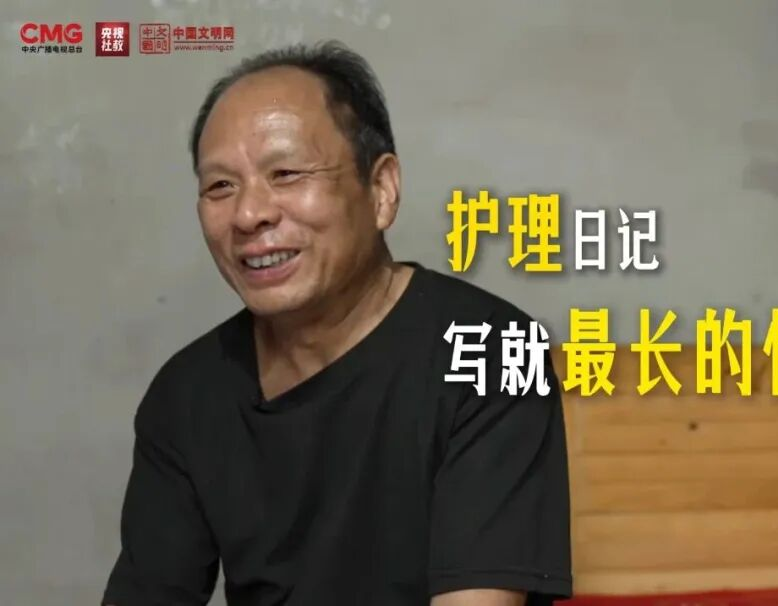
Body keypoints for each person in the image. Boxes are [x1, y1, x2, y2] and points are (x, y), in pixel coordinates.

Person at [101, 40, 572, 606]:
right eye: (220, 186)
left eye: (286, 173)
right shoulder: (187, 394)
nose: (249, 214)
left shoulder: (492, 354)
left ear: (381, 190)